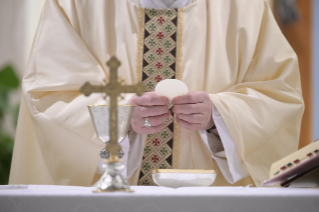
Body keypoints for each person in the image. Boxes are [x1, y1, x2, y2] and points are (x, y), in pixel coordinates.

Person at [9, 0, 304, 187]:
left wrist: (218, 115)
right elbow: (48, 94)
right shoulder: (73, 3)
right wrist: (119, 118)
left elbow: (279, 95)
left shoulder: (246, 6)